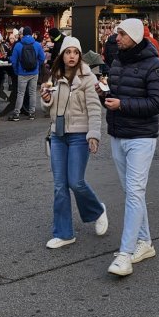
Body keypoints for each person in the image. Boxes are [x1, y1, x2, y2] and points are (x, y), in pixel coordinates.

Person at [103, 18, 159, 278]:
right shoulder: (118, 62)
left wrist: (123, 105)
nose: (116, 37)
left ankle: (125, 252)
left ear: (134, 36)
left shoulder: (155, 66)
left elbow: (157, 103)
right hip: (118, 133)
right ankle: (145, 242)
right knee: (132, 192)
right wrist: (103, 93)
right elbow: (116, 94)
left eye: (121, 34)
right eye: (117, 33)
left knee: (134, 192)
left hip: (142, 136)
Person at [40, 36, 108, 248]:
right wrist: (46, 99)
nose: (72, 56)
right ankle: (64, 233)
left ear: (80, 56)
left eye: (75, 52)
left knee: (75, 182)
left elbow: (95, 109)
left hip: (79, 135)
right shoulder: (55, 75)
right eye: (68, 52)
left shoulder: (88, 78)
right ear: (62, 55)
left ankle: (97, 210)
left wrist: (94, 135)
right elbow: (47, 109)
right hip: (58, 135)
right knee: (60, 186)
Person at [9, 27, 45, 120]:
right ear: (31, 34)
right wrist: (36, 66)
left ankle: (16, 114)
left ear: (23, 34)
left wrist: (17, 71)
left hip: (22, 73)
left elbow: (14, 61)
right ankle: (32, 113)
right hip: (34, 72)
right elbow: (42, 58)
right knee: (32, 93)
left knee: (20, 93)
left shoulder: (18, 45)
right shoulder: (37, 44)